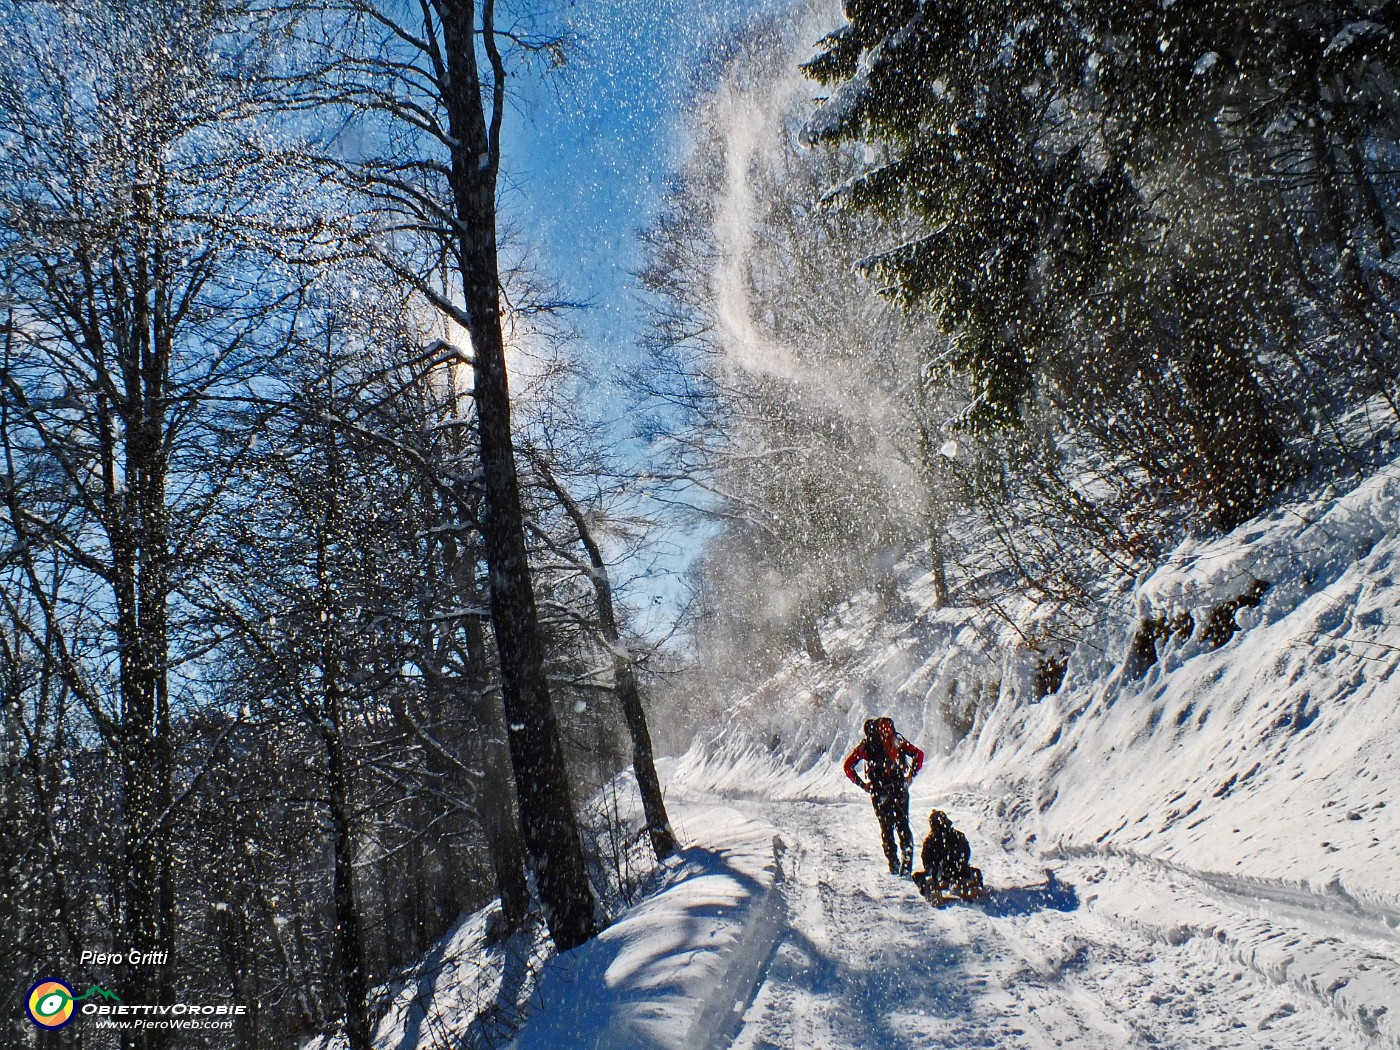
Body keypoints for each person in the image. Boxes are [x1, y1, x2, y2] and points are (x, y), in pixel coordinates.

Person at [843, 717, 923, 875]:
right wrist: (910, 776)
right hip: (899, 789)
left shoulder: (865, 746)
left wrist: (862, 784)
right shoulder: (897, 741)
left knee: (887, 830)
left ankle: (893, 864)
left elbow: (848, 766)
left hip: (879, 792)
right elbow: (919, 755)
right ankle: (906, 865)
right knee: (903, 827)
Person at [912, 809, 984, 902]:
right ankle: (974, 889)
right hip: (960, 872)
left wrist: (936, 869)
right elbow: (967, 853)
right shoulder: (959, 835)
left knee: (918, 876)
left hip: (940, 874)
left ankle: (933, 893)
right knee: (974, 872)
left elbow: (926, 861)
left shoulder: (930, 840)